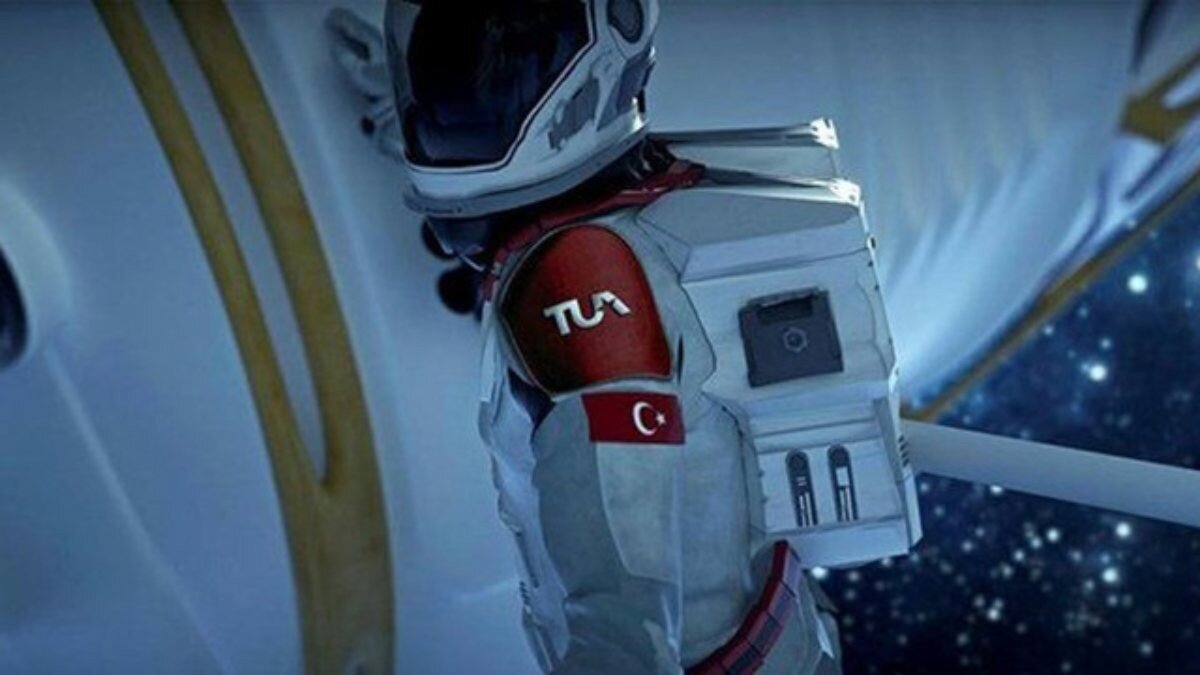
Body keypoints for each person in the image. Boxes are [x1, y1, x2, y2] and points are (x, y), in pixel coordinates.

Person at [327, 2, 844, 672]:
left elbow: (625, 621)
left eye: (495, 76)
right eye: (445, 86)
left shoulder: (580, 276)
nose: (459, 105)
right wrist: (418, 112)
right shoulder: (635, 202)